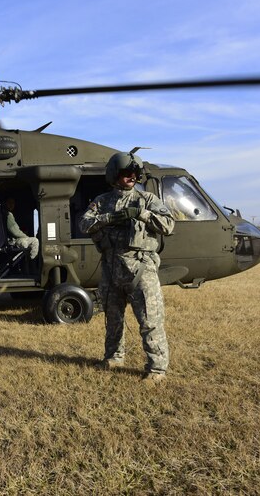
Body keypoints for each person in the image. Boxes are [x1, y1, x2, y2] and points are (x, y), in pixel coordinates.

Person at [78, 150, 174, 382]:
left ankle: (157, 369)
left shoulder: (147, 200)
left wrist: (142, 215)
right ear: (114, 175)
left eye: (135, 173)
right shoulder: (102, 202)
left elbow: (169, 225)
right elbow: (84, 224)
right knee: (113, 319)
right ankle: (113, 357)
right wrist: (109, 218)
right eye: (126, 172)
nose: (131, 176)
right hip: (112, 269)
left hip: (141, 270)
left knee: (150, 320)